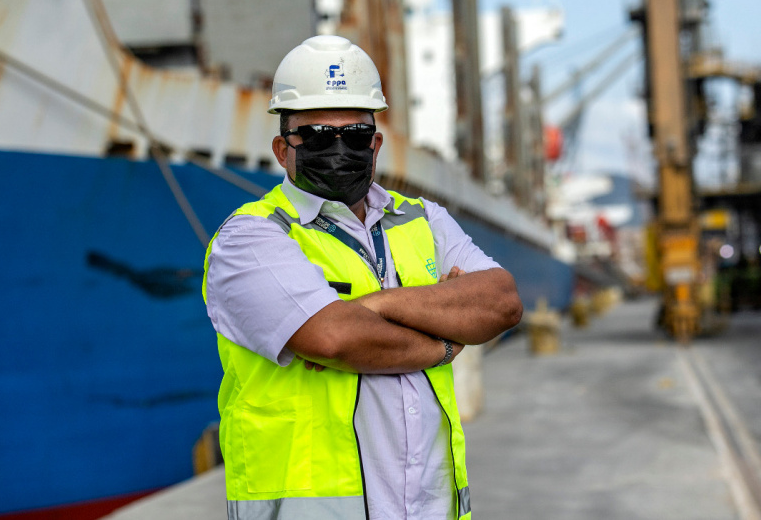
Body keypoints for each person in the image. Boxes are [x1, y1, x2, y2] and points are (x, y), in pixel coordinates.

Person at [203, 35, 523, 520]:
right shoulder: (249, 238)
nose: (337, 148)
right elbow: (335, 337)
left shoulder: (422, 218)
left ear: (375, 143)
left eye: (354, 134)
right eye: (313, 136)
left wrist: (377, 306)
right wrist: (446, 339)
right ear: (280, 148)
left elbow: (501, 302)